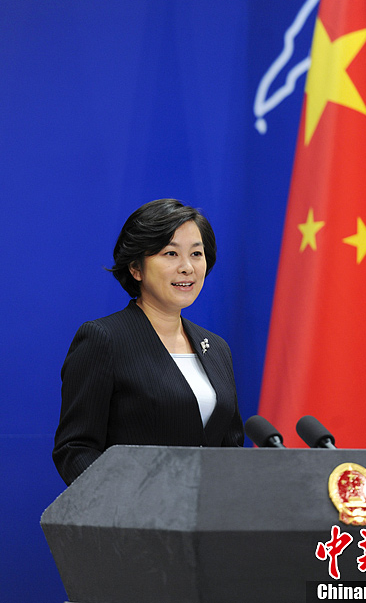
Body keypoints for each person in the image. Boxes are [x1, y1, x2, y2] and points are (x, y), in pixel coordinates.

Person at [53, 198, 244, 485]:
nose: (187, 267)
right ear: (136, 268)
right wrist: (129, 501)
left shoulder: (216, 347)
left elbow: (231, 447)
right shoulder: (104, 339)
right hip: (133, 510)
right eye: (170, 253)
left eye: (196, 253)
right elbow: (75, 449)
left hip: (209, 510)